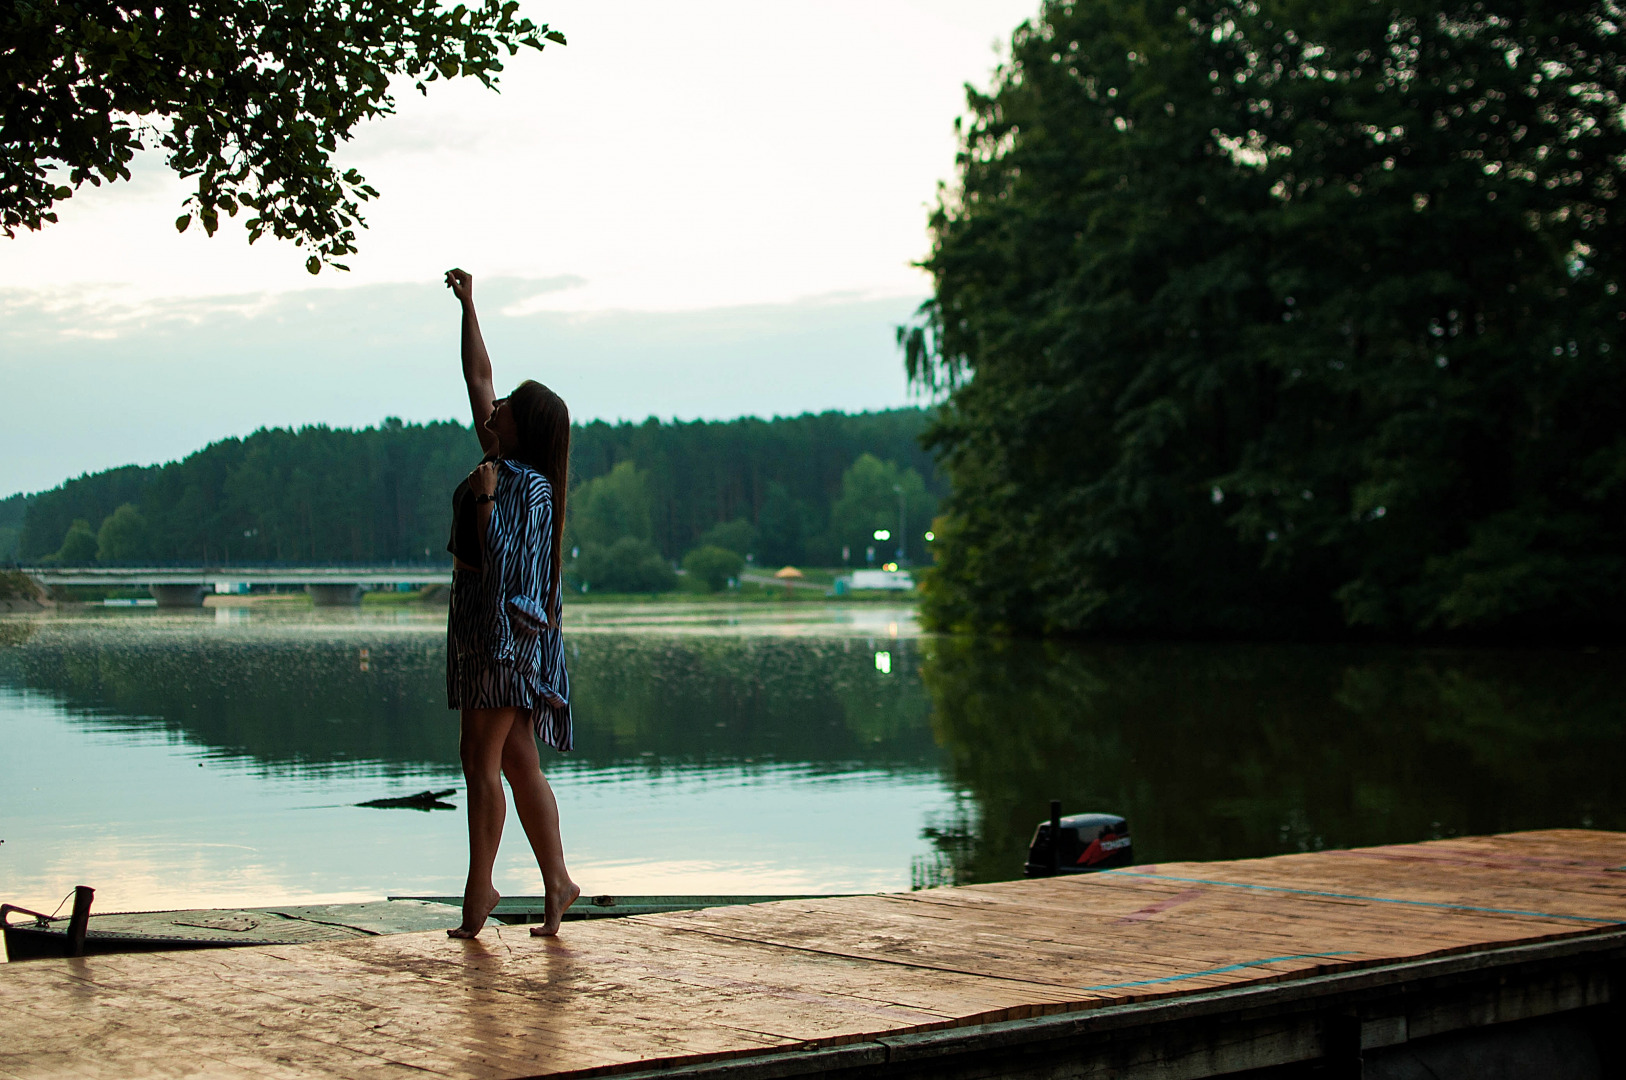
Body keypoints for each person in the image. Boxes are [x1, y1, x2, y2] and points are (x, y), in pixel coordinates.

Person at [442, 267, 580, 938]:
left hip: (501, 636)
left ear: (523, 429)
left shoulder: (525, 486)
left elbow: (509, 564)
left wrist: (489, 497)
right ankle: (558, 882)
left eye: (506, 409)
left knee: (479, 756)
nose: (491, 410)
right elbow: (477, 378)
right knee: (516, 757)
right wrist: (471, 307)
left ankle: (480, 890)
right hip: (478, 628)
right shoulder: (503, 458)